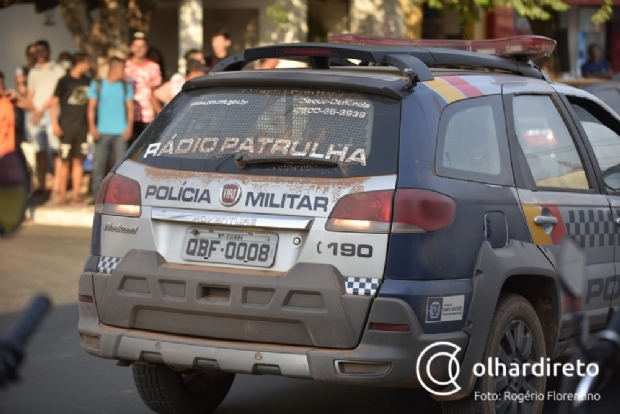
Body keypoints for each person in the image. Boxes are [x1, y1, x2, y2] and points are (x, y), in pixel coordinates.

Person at [88, 57, 134, 198]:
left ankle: (120, 195)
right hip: (102, 132)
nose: (125, 72)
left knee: (121, 167)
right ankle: (97, 196)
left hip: (121, 132)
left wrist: (129, 127)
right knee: (99, 166)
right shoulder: (97, 84)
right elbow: (91, 107)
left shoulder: (126, 86)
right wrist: (92, 126)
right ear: (114, 69)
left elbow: (130, 108)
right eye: (123, 69)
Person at [50, 52, 92, 205]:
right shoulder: (64, 81)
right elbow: (53, 103)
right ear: (80, 62)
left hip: (82, 128)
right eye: (88, 62)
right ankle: (62, 196)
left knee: (78, 161)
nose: (90, 66)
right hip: (66, 128)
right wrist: (55, 124)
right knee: (64, 161)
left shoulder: (88, 81)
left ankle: (75, 195)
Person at [26, 40, 67, 195]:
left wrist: (41, 109)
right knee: (39, 151)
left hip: (52, 115)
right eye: (37, 52)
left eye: (43, 51)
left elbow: (56, 95)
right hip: (36, 116)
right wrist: (32, 110)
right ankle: (42, 185)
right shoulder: (33, 71)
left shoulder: (58, 69)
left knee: (56, 150)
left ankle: (56, 186)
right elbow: (30, 94)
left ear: (49, 51)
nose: (40, 54)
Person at [125, 32, 161, 146]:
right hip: (126, 116)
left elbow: (154, 92)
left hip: (147, 116)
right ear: (131, 47)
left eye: (142, 46)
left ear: (147, 48)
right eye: (136, 46)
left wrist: (159, 113)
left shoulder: (154, 67)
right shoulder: (123, 66)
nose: (139, 49)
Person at [1, 71, 33, 158]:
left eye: (2, 84)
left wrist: (18, 96)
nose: (1, 87)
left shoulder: (9, 100)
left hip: (10, 151)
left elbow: (32, 108)